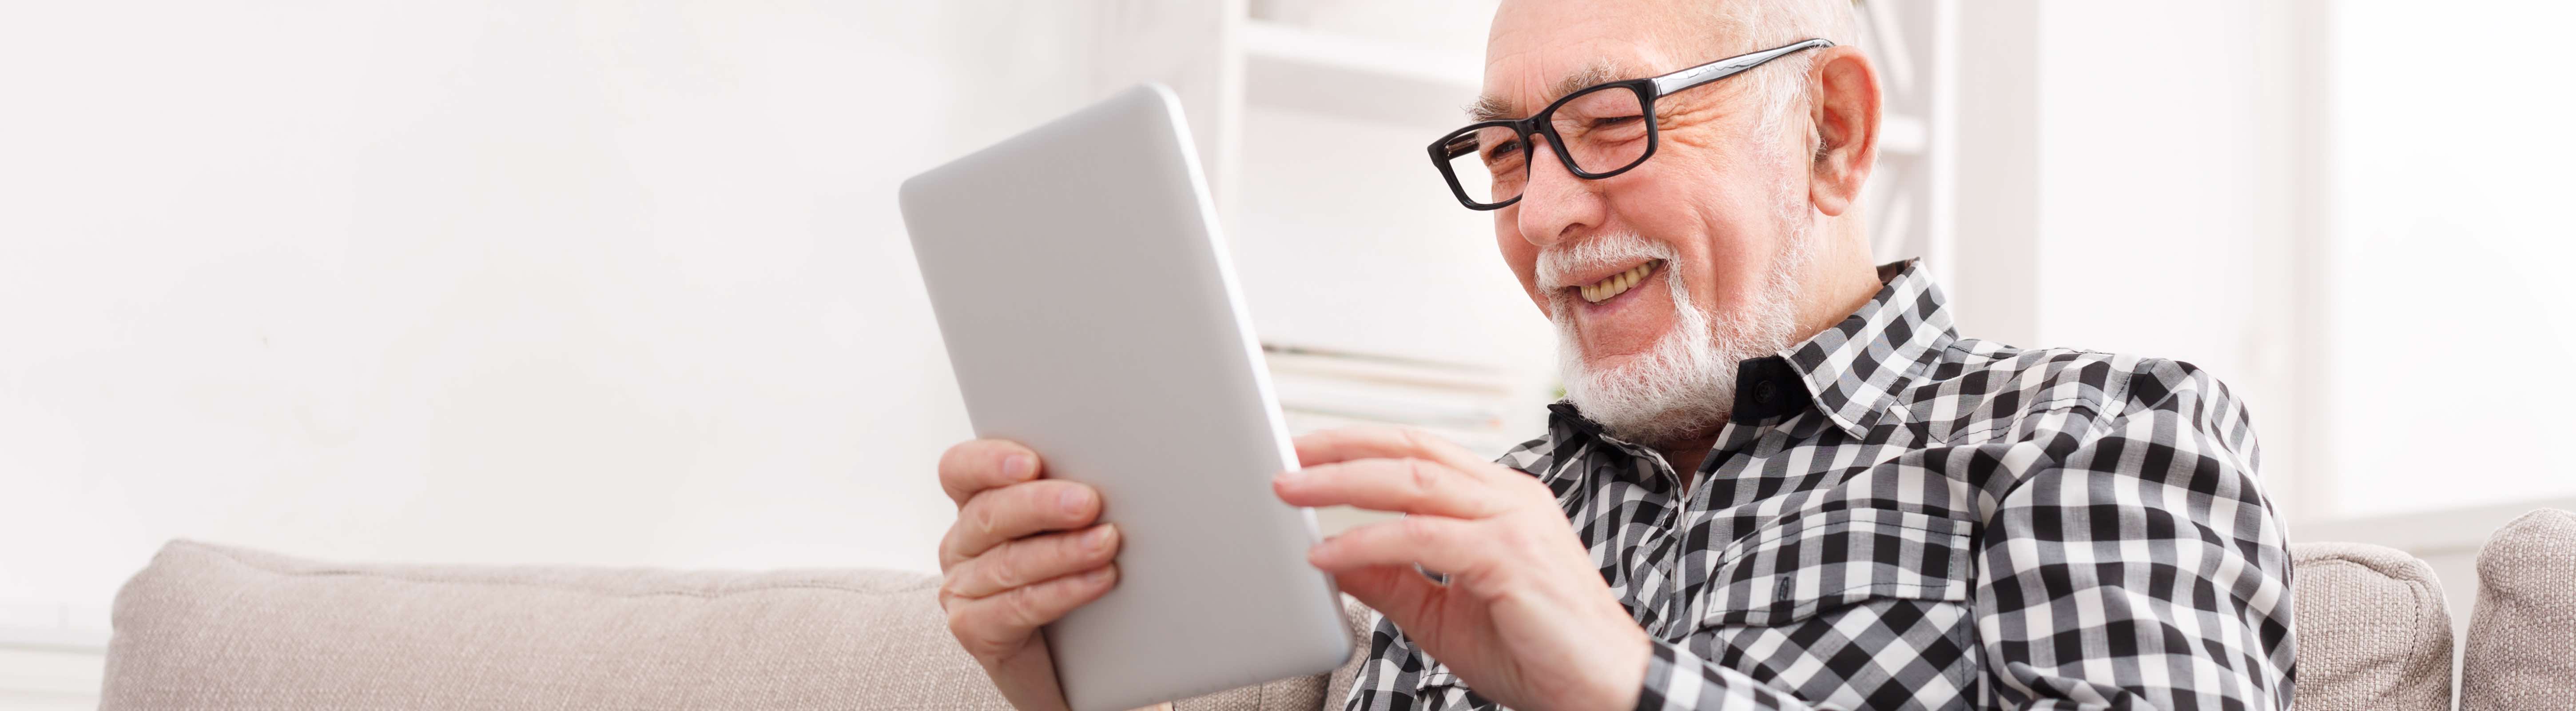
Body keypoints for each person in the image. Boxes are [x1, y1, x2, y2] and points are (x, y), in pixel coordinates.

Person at [930, 0, 2296, 708]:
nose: (1539, 216)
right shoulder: (1467, 526)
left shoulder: (2096, 435)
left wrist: (1630, 685)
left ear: (1829, 130)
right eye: (1508, 151)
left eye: (1610, 121)